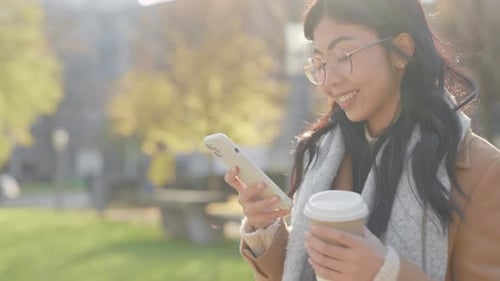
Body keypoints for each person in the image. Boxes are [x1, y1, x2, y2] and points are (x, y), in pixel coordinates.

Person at [224, 0, 500, 280]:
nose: (328, 80)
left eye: (343, 56)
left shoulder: (481, 170)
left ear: (401, 50)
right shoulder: (324, 155)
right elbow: (305, 269)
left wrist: (386, 273)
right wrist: (266, 226)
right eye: (319, 62)